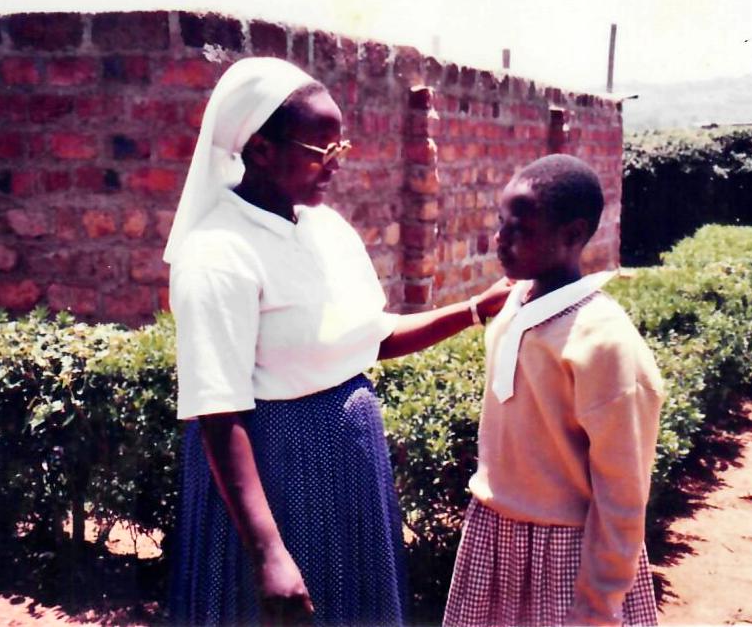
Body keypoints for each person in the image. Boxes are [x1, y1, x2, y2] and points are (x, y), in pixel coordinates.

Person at [162, 57, 510, 626]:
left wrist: (474, 310)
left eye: (338, 150)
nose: (333, 167)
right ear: (260, 149)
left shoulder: (326, 231)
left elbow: (372, 338)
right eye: (318, 152)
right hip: (275, 476)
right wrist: (270, 552)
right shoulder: (218, 253)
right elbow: (218, 414)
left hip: (347, 467)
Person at [443, 154, 664, 627]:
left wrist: (600, 601)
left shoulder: (604, 340)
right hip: (493, 534)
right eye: (501, 223)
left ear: (572, 234)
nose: (500, 239)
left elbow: (622, 490)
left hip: (564, 555)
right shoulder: (515, 301)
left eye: (520, 229)